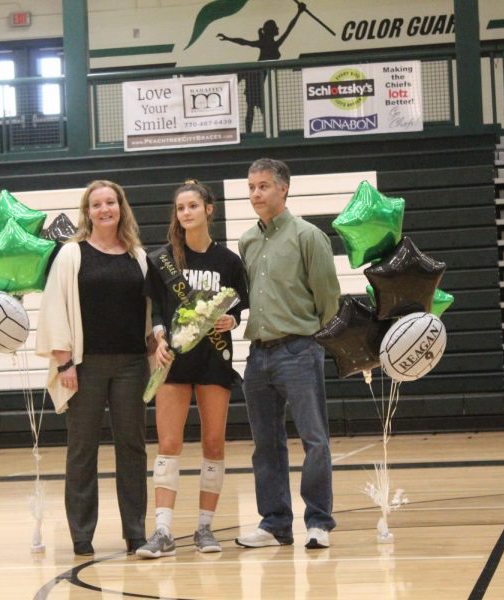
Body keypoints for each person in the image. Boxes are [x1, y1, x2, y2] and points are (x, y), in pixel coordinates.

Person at [36, 180, 151, 557]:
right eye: (97, 204)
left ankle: (135, 531)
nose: (104, 209)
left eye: (110, 202)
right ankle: (81, 535)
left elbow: (149, 313)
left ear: (121, 207)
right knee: (82, 450)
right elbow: (55, 307)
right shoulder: (72, 254)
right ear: (88, 212)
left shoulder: (138, 255)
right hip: (85, 366)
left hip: (133, 365)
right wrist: (64, 361)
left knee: (132, 448)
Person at [136, 181, 248, 559]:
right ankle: (163, 530)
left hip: (215, 359)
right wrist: (157, 338)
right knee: (169, 444)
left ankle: (204, 527)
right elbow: (155, 310)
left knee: (213, 443)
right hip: (175, 361)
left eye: (193, 207)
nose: (186, 213)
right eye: (181, 208)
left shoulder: (229, 262)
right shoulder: (164, 258)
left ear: (208, 210)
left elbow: (239, 308)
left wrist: (232, 321)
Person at [235, 158, 340, 550]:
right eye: (251, 187)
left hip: (299, 350)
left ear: (284, 189)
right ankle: (275, 523)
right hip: (257, 356)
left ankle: (318, 521)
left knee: (314, 439)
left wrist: (316, 345)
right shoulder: (246, 241)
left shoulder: (308, 236)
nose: (256, 194)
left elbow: (327, 299)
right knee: (266, 444)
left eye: (263, 186)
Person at [217, 3, 305, 132]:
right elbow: (244, 42)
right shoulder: (268, 43)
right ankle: (259, 133)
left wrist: (299, 13)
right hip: (254, 78)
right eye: (275, 27)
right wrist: (228, 38)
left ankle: (261, 132)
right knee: (255, 108)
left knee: (256, 108)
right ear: (271, 30)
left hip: (257, 78)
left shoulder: (271, 43)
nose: (278, 28)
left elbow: (289, 29)